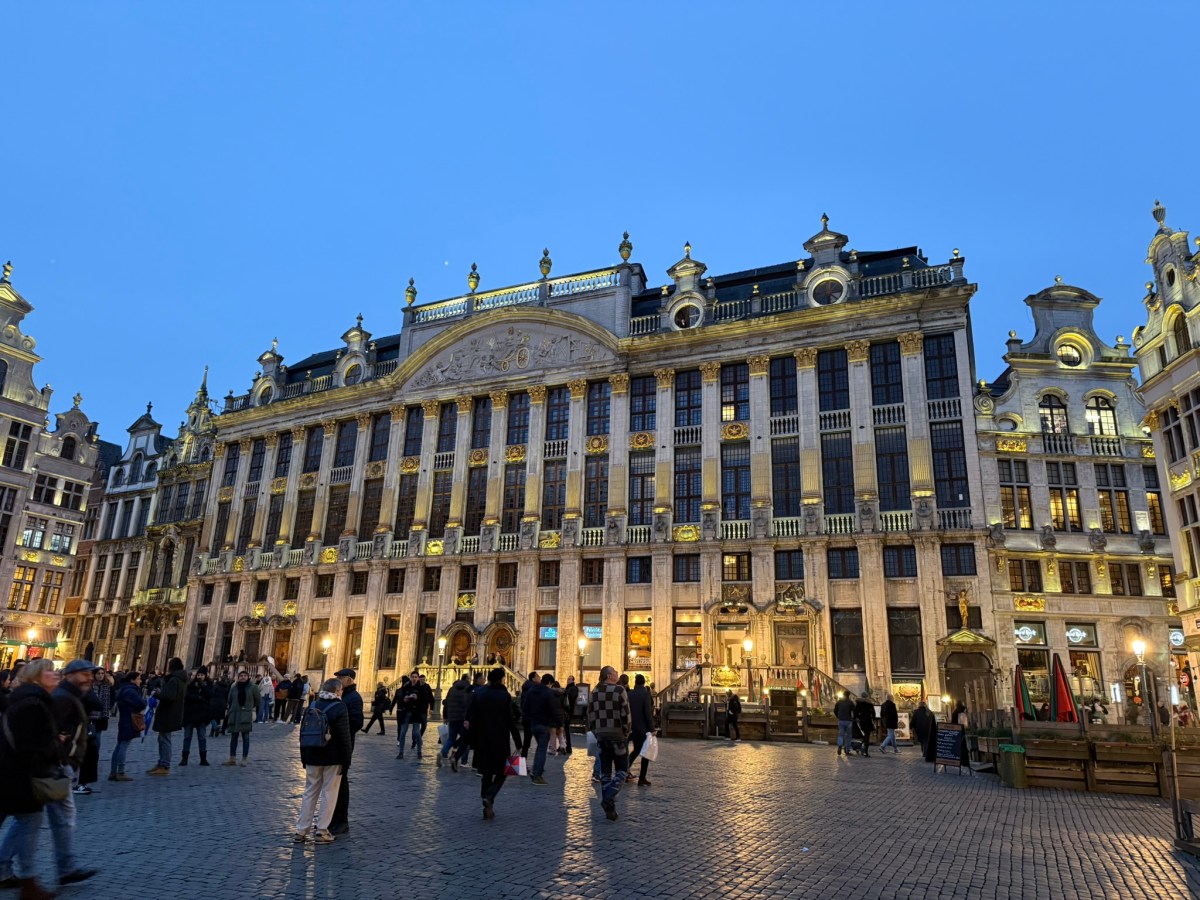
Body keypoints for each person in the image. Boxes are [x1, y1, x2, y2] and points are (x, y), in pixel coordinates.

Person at [0, 659, 78, 898]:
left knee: (25, 823)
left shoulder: (32, 700)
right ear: (36, 677)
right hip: (24, 776)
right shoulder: (33, 704)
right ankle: (28, 881)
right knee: (28, 825)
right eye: (50, 672)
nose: (56, 674)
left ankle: (8, 871)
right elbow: (30, 744)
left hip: (18, 774)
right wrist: (55, 745)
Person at [46, 659, 99, 886]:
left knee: (30, 821)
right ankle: (66, 869)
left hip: (60, 765)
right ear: (69, 675)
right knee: (62, 818)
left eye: (90, 674)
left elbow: (96, 703)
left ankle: (4, 866)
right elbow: (50, 733)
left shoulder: (72, 696)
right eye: (84, 674)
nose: (89, 678)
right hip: (57, 767)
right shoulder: (63, 698)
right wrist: (64, 754)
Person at [294, 679, 353, 844]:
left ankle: (301, 830)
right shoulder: (340, 707)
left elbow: (303, 733)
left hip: (312, 754)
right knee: (329, 792)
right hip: (332, 757)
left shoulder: (313, 705)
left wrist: (304, 757)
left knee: (309, 792)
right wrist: (346, 760)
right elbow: (344, 737)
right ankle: (321, 830)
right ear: (338, 691)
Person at [462, 668, 521, 820]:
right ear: (502, 679)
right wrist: (518, 741)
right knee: (504, 771)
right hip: (500, 739)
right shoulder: (504, 696)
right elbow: (510, 720)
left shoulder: (479, 693)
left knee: (486, 773)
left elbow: (471, 713)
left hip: (482, 738)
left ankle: (487, 805)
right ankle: (489, 796)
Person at [588, 665, 631, 821]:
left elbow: (590, 715)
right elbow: (626, 713)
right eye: (614, 672)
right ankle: (609, 796)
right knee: (622, 770)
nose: (617, 674)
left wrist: (596, 731)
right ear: (608, 676)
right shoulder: (619, 690)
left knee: (605, 772)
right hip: (617, 735)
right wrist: (626, 731)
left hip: (601, 736)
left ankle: (610, 810)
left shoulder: (594, 692)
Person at [328, 669, 363, 836]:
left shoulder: (354, 698)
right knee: (332, 783)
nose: (338, 680)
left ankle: (342, 821)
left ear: (349, 679)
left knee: (341, 782)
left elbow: (357, 722)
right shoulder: (341, 695)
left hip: (344, 744)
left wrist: (340, 726)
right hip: (334, 744)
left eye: (341, 677)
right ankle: (331, 818)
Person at [148, 657, 189, 775]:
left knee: (165, 739)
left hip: (168, 713)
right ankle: (161, 762)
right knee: (162, 738)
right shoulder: (181, 679)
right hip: (173, 713)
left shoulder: (174, 680)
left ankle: (165, 765)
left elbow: (169, 697)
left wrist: (157, 694)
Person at [109, 672, 145, 782]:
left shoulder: (124, 689)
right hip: (129, 719)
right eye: (138, 679)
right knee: (123, 745)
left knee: (119, 745)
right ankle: (120, 772)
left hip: (124, 718)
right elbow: (141, 704)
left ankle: (113, 771)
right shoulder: (131, 691)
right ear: (132, 680)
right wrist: (145, 701)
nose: (140, 681)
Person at [524, 674, 558, 785]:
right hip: (544, 724)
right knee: (542, 750)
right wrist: (557, 722)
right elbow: (553, 709)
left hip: (533, 723)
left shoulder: (531, 691)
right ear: (550, 683)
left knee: (540, 748)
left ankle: (536, 770)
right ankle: (537, 774)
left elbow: (525, 707)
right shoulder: (548, 693)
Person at [223, 670, 260, 766]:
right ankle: (232, 758)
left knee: (245, 737)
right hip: (235, 714)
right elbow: (229, 700)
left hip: (245, 715)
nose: (243, 677)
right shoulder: (234, 688)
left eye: (245, 675)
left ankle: (244, 758)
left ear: (248, 677)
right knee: (234, 737)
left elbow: (258, 700)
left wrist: (249, 707)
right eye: (241, 676)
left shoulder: (253, 687)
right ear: (238, 677)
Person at [180, 667, 213, 766]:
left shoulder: (209, 685)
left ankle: (203, 759)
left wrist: (203, 686)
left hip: (202, 715)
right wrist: (199, 697)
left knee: (202, 737)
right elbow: (187, 696)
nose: (200, 677)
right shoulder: (191, 685)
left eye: (202, 675)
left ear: (205, 676)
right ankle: (184, 758)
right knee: (187, 737)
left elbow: (210, 695)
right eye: (198, 675)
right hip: (190, 714)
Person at [627, 673, 654, 786]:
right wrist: (652, 728)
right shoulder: (645, 694)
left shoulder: (630, 694)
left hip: (632, 727)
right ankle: (642, 778)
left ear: (635, 682)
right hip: (643, 729)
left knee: (636, 750)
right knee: (645, 753)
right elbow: (648, 713)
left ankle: (624, 770)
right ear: (644, 682)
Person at [438, 675, 471, 771]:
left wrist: (445, 716)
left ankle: (442, 753)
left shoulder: (452, 689)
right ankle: (462, 761)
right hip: (462, 718)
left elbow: (446, 702)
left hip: (452, 717)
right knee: (466, 740)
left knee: (451, 738)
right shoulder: (468, 689)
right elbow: (468, 704)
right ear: (467, 680)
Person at [397, 674, 432, 759]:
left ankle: (419, 752)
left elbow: (425, 701)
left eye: (416, 677)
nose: (414, 678)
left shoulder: (421, 688)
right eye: (413, 677)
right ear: (410, 678)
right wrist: (404, 699)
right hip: (406, 712)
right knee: (402, 732)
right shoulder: (406, 687)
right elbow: (400, 699)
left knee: (417, 733)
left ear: (418, 678)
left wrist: (417, 698)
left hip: (416, 713)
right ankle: (401, 752)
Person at [854, 693, 877, 757]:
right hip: (868, 721)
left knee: (863, 735)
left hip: (861, 721)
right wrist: (873, 720)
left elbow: (855, 712)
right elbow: (873, 713)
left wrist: (857, 717)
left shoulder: (859, 704)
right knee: (867, 736)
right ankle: (866, 751)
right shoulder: (869, 704)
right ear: (867, 697)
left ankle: (861, 746)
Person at [834, 691, 855, 757]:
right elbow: (854, 711)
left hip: (841, 720)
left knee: (840, 735)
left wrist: (838, 716)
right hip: (848, 720)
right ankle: (847, 750)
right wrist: (853, 718)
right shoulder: (850, 702)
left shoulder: (839, 702)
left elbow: (835, 710)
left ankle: (840, 745)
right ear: (849, 695)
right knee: (848, 736)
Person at [563, 675, 579, 755]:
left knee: (566, 730)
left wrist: (565, 694)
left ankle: (568, 747)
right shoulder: (568, 688)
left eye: (569, 679)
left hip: (568, 712)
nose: (568, 680)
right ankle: (566, 746)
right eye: (567, 679)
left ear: (573, 680)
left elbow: (572, 697)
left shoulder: (573, 688)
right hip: (567, 711)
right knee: (565, 729)